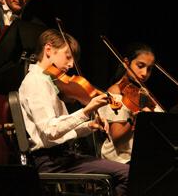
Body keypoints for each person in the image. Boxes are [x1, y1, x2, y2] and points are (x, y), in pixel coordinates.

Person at [18, 28, 129, 196]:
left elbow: (60, 131)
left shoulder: (48, 82)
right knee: (127, 174)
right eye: (68, 56)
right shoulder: (35, 83)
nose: (71, 65)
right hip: (51, 162)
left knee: (124, 172)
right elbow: (50, 132)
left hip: (61, 157)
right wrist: (86, 111)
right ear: (48, 50)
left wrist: (89, 126)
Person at [99, 42, 164, 164]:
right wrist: (135, 120)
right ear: (126, 62)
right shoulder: (115, 92)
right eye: (140, 66)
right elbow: (116, 136)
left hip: (144, 157)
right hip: (121, 159)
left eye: (149, 69)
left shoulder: (144, 93)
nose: (144, 73)